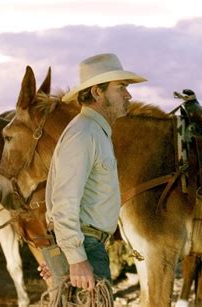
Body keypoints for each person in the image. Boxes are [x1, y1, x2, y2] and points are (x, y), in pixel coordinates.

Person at [39, 53, 146, 291]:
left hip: (87, 246)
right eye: (121, 88)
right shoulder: (84, 133)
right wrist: (75, 258)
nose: (128, 95)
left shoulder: (93, 131)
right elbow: (64, 200)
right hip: (86, 248)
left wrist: (65, 253)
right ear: (98, 92)